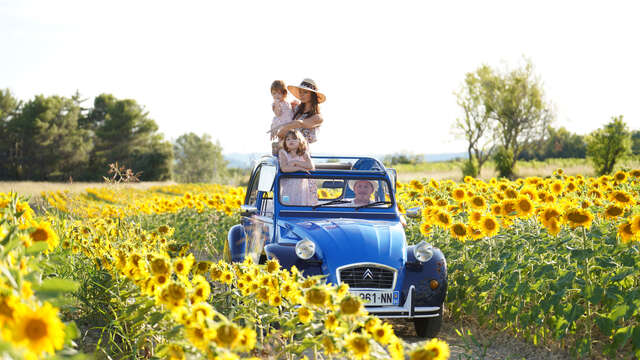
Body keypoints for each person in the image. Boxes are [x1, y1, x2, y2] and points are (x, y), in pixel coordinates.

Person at [277, 78, 325, 146]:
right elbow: (282, 117)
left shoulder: (318, 117)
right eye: (300, 92)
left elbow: (300, 123)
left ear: (312, 95)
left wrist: (282, 130)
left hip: (302, 152)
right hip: (286, 150)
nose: (301, 94)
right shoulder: (295, 110)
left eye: (305, 92)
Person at [278, 130, 316, 205]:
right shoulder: (283, 153)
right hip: (287, 186)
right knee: (286, 203)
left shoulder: (303, 153)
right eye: (288, 139)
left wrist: (295, 162)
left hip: (301, 187)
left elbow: (310, 166)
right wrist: (300, 168)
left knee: (301, 204)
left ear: (300, 141)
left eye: (294, 139)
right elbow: (284, 168)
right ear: (285, 142)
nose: (291, 141)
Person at [269, 80, 294, 155]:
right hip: (281, 125)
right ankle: (282, 155)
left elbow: (289, 112)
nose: (276, 96)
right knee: (282, 141)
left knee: (290, 141)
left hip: (289, 125)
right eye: (274, 93)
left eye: (279, 93)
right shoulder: (275, 104)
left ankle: (289, 155)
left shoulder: (286, 103)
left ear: (284, 93)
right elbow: (278, 113)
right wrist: (276, 104)